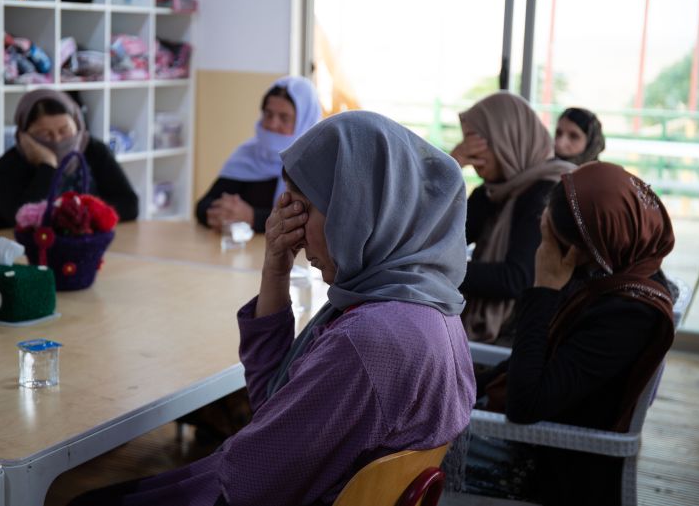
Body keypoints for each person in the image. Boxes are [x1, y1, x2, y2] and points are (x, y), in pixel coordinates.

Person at [69, 111, 476, 506]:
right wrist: (275, 268)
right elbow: (272, 404)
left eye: (304, 209)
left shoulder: (368, 339)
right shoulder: (429, 306)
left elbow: (250, 480)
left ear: (355, 213)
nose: (293, 229)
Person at [466, 162, 676, 505]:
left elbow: (524, 405)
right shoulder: (617, 270)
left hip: (545, 460)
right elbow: (537, 361)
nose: (544, 246)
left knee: (404, 445)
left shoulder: (628, 314)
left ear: (584, 249)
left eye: (551, 239)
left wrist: (544, 288)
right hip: (532, 432)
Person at [450, 92, 575, 343]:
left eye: (477, 141)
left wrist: (441, 269)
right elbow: (436, 236)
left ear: (506, 139)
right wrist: (450, 167)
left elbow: (516, 278)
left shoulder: (546, 192)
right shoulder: (492, 191)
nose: (471, 153)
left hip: (521, 334)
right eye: (466, 141)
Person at [0, 89, 138, 229]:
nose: (57, 140)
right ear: (24, 135)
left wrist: (79, 218)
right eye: (44, 134)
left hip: (84, 243)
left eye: (64, 131)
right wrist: (48, 166)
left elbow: (129, 206)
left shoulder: (94, 150)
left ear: (77, 124)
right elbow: (22, 220)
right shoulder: (7, 167)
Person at [195, 76, 321, 233]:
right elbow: (203, 205)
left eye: (284, 118)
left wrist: (253, 217)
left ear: (305, 122)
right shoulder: (249, 155)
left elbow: (312, 223)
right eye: (268, 114)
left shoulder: (315, 166)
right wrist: (219, 214)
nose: (272, 124)